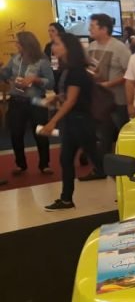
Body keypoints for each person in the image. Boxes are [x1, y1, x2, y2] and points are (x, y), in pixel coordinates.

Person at [39, 33, 103, 211]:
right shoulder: (68, 69)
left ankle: (131, 187)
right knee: (66, 159)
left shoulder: (76, 71)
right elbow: (69, 96)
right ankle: (66, 199)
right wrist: (57, 97)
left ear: (68, 47)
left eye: (57, 44)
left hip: (81, 122)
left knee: (98, 161)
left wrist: (53, 121)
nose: (53, 47)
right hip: (73, 121)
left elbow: (71, 100)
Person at [0, 31, 55, 175]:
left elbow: (51, 83)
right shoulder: (15, 58)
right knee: (16, 134)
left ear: (26, 44)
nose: (16, 45)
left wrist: (35, 80)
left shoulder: (42, 60)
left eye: (18, 42)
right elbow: (5, 74)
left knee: (40, 133)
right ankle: (21, 165)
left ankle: (44, 164)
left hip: (36, 101)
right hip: (17, 101)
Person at [85, 13, 131, 180]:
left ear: (104, 29)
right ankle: (102, 169)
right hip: (99, 100)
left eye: (93, 26)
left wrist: (109, 84)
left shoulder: (119, 48)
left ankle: (126, 168)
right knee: (103, 135)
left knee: (122, 134)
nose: (89, 29)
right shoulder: (91, 47)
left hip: (117, 99)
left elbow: (129, 74)